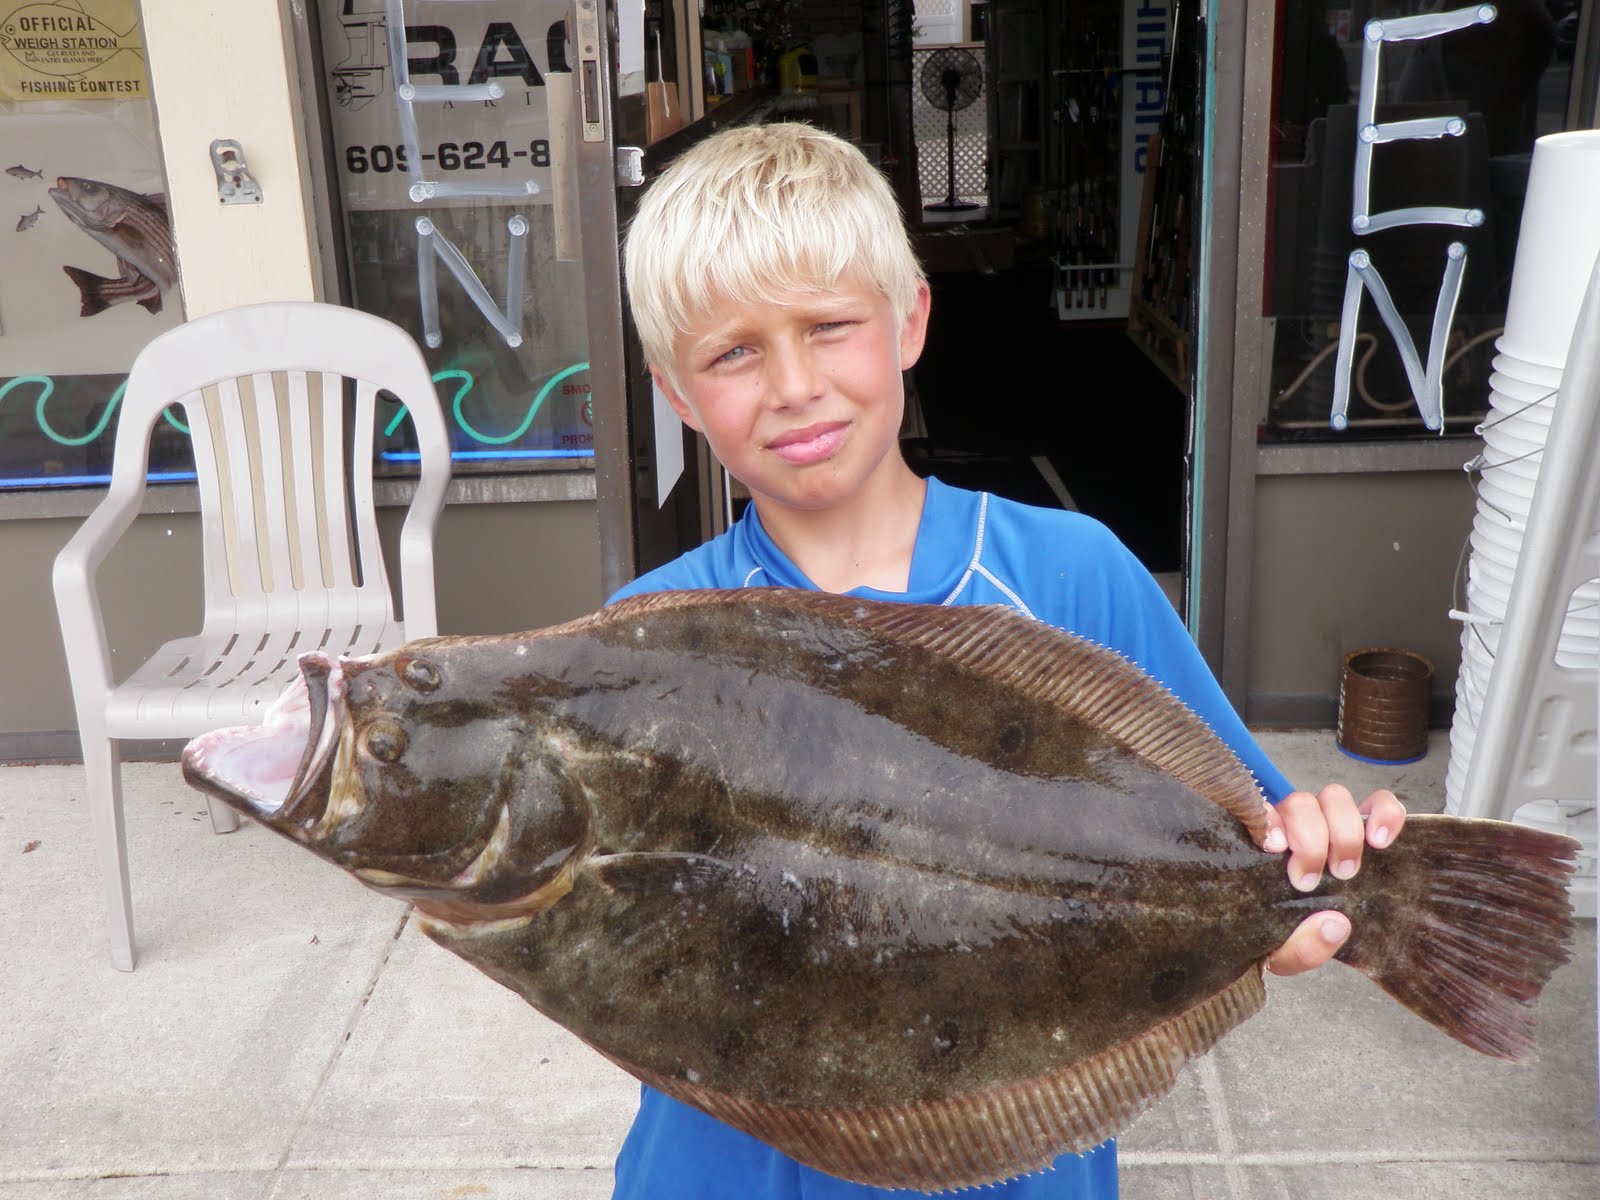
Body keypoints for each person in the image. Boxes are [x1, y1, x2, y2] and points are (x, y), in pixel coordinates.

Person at [608, 121, 1406, 1200]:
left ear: (909, 323)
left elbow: (1244, 861)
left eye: (828, 326)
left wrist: (1303, 891)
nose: (792, 385)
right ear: (677, 393)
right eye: (733, 352)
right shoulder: (644, 637)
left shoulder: (1071, 574)